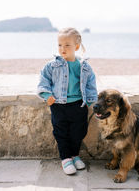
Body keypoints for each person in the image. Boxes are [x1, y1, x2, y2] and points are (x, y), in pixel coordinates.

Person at [37, 27, 98, 175]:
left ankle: (74, 155)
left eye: (67, 45)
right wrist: (47, 95)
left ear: (76, 47)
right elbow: (43, 81)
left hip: (78, 105)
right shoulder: (52, 65)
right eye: (59, 45)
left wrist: (91, 100)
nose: (62, 49)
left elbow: (90, 83)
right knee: (61, 132)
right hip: (58, 105)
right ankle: (65, 158)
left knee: (79, 131)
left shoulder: (83, 66)